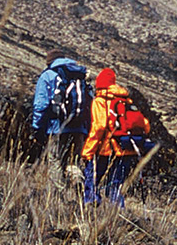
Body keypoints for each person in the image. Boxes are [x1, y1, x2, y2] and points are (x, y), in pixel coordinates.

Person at [80, 67, 150, 205]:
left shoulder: (100, 101)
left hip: (107, 150)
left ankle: (91, 202)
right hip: (127, 148)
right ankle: (119, 215)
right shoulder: (126, 100)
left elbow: (99, 127)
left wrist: (88, 151)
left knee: (94, 179)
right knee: (116, 185)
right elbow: (145, 125)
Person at [30, 52, 91, 188]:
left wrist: (37, 127)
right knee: (73, 162)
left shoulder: (48, 75)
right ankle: (78, 184)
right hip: (78, 127)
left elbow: (41, 105)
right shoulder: (79, 75)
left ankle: (58, 196)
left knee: (55, 162)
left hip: (56, 127)